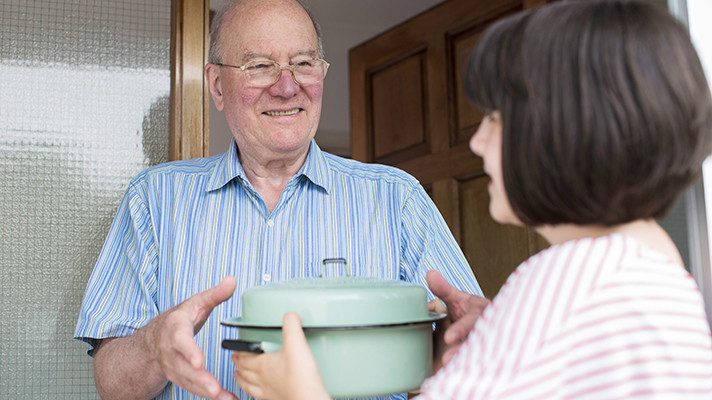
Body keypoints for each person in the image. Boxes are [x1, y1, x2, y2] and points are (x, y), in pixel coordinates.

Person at [231, 1, 712, 399]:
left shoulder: (566, 279)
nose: (477, 141)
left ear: (566, 129)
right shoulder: (661, 276)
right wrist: (503, 339)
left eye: (497, 118)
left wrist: (298, 393)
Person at [73, 0, 486, 399]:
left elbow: (472, 353)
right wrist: (153, 346)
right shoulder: (153, 199)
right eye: (260, 66)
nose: (287, 87)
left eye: (304, 63)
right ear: (217, 86)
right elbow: (113, 386)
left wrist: (458, 350)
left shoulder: (398, 199)